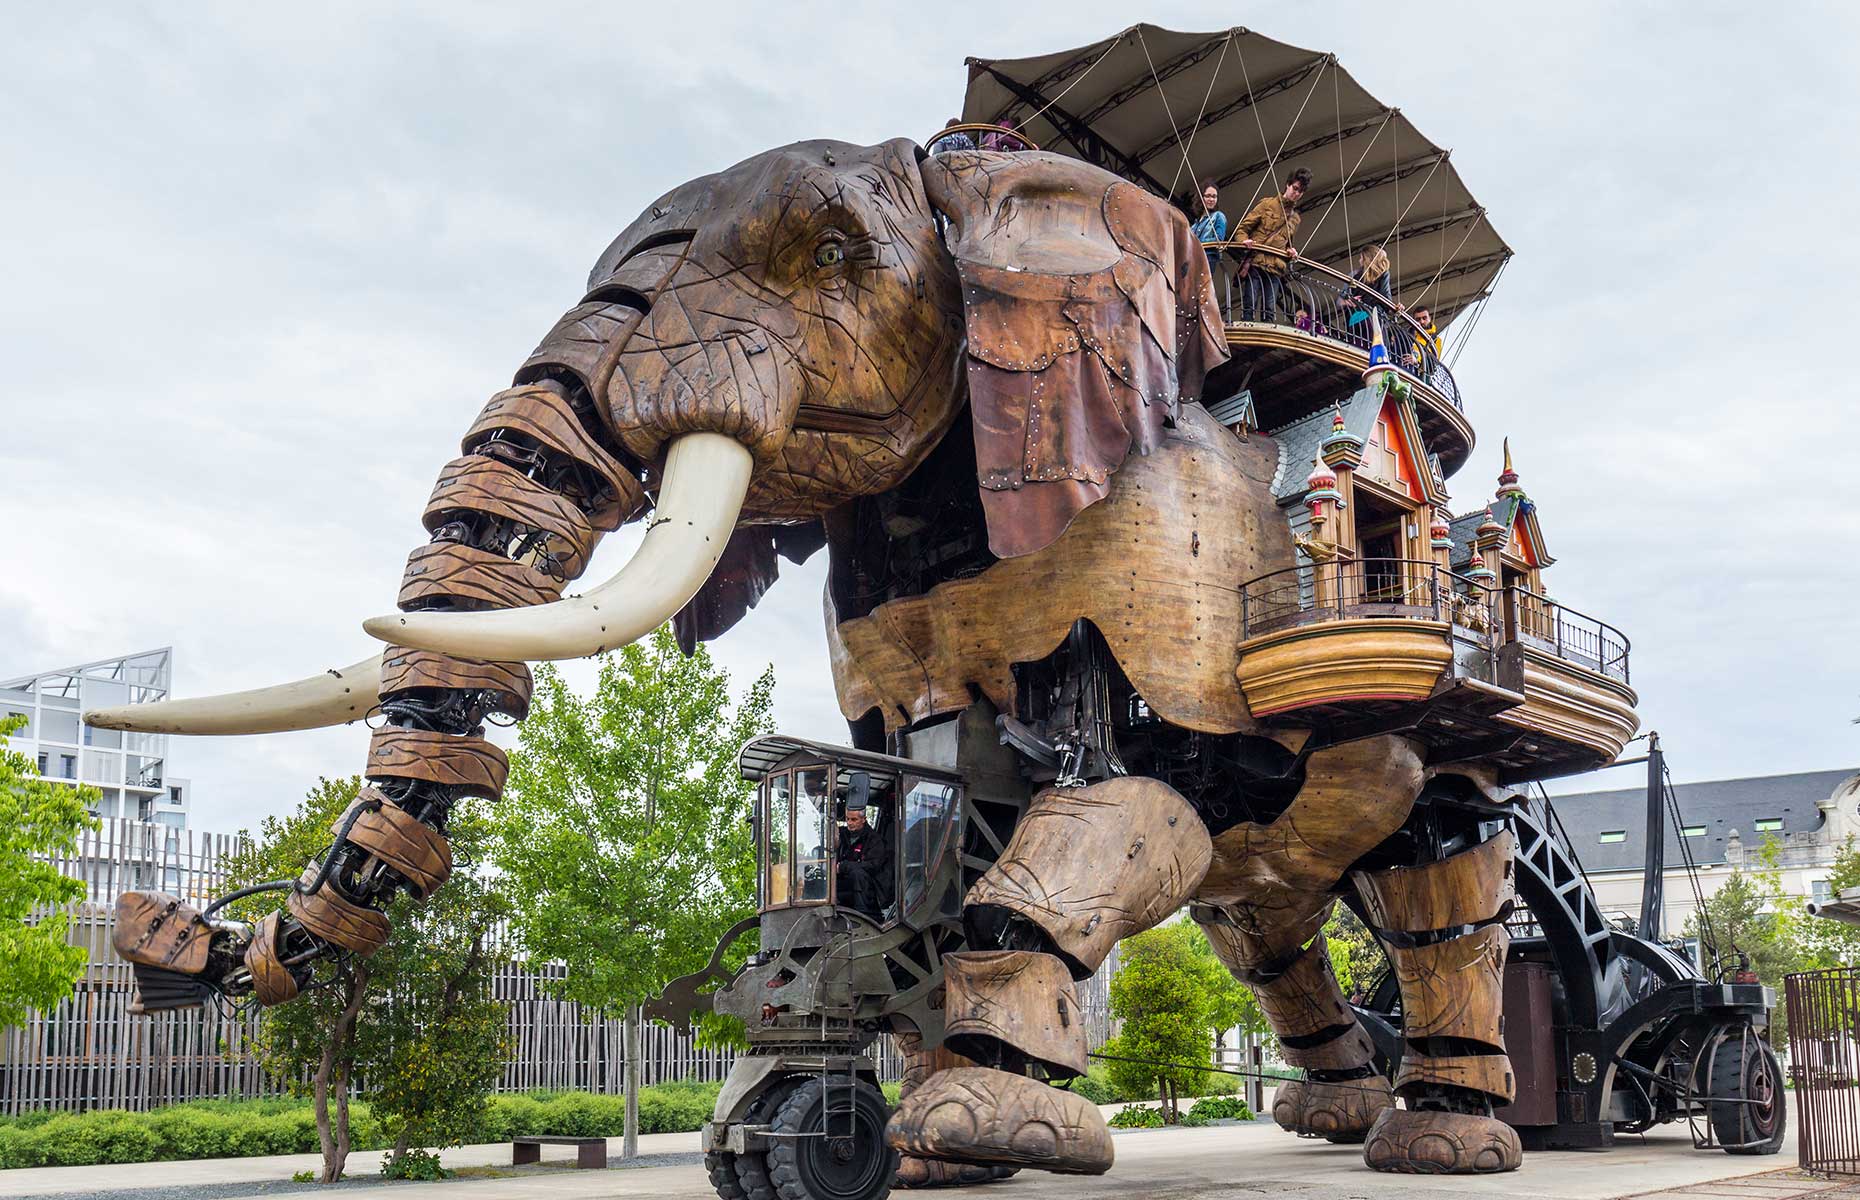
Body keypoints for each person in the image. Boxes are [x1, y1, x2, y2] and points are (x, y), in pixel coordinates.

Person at [1232, 167, 1311, 324]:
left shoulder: (1295, 218)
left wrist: (1291, 251)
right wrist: (1243, 241)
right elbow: (1242, 228)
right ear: (1287, 185)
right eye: (1295, 188)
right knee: (1250, 304)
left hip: (1275, 267)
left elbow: (1287, 243)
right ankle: (1247, 330)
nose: (1296, 193)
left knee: (1269, 309)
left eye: (1300, 191)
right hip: (1257, 262)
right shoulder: (1267, 204)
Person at [835, 804, 893, 918]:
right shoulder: (843, 836)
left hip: (870, 889)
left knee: (858, 873)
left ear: (864, 819)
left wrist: (843, 867)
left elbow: (872, 866)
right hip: (847, 884)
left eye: (854, 819)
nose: (850, 823)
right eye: (847, 819)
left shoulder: (875, 840)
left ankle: (862, 915)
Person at [1341, 245, 1391, 347]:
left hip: (1354, 320)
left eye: (1361, 258)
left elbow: (1351, 299)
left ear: (1367, 259)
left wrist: (1356, 302)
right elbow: (1386, 300)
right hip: (1372, 318)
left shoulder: (1356, 277)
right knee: (1375, 352)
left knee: (1357, 351)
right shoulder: (1383, 274)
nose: (1360, 261)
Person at [1190, 179, 1228, 306]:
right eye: (1208, 196)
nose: (1211, 199)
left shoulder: (1218, 216)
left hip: (1208, 257)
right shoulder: (1196, 223)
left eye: (1214, 196)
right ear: (1201, 197)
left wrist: (1197, 242)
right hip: (1193, 259)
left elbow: (1218, 239)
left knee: (1201, 288)